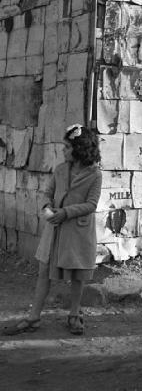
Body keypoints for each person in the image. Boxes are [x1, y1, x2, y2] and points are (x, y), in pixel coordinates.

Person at [3, 124, 102, 336]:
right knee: (43, 272)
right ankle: (33, 318)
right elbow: (48, 193)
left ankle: (74, 314)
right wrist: (47, 206)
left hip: (77, 232)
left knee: (77, 275)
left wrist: (66, 212)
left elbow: (92, 204)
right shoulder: (60, 169)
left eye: (67, 147)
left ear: (79, 148)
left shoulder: (95, 174)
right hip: (55, 229)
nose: (63, 151)